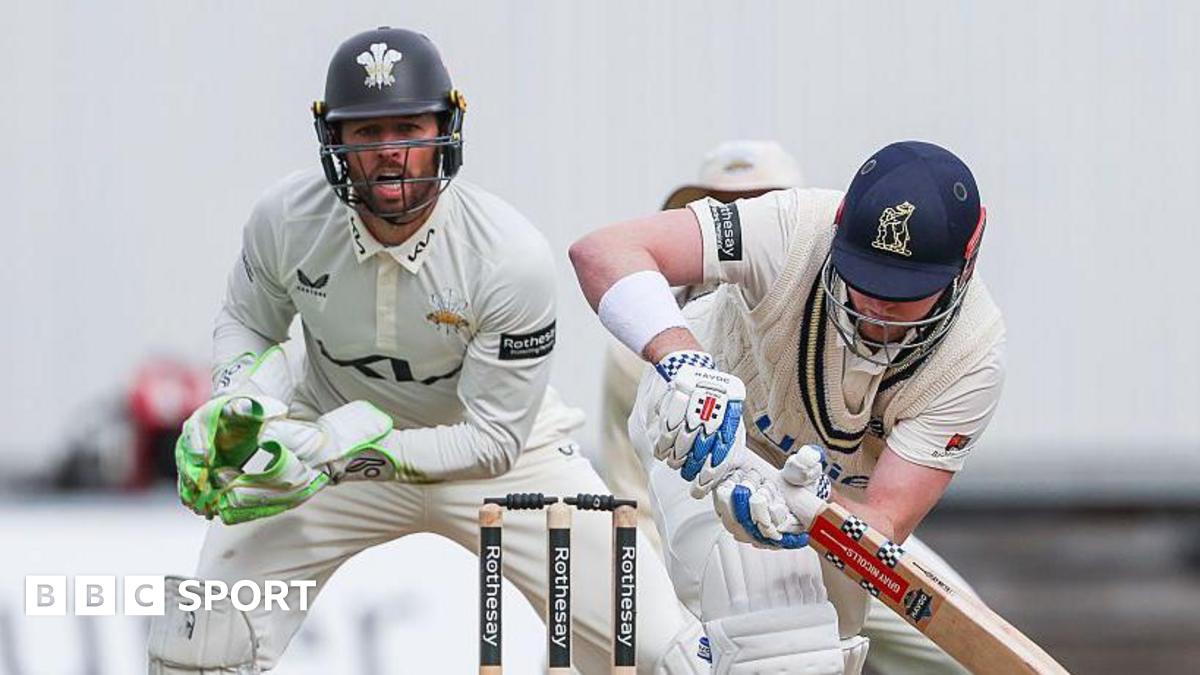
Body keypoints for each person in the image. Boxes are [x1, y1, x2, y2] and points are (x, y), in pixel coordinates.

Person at [147, 27, 707, 674]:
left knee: (657, 651)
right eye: (368, 132)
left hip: (494, 458)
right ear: (334, 139)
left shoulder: (507, 255)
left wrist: (344, 452)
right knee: (201, 642)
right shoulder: (286, 219)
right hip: (325, 446)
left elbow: (495, 439)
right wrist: (237, 405)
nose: (390, 151)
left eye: (408, 128)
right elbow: (248, 323)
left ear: (446, 129)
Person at [571, 140, 1004, 674]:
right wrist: (686, 364)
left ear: (964, 263)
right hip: (708, 431)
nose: (875, 306)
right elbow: (603, 250)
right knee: (774, 640)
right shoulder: (793, 227)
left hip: (831, 499)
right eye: (865, 278)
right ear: (839, 227)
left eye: (903, 291)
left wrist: (812, 509)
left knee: (832, 650)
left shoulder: (972, 356)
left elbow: (884, 521)